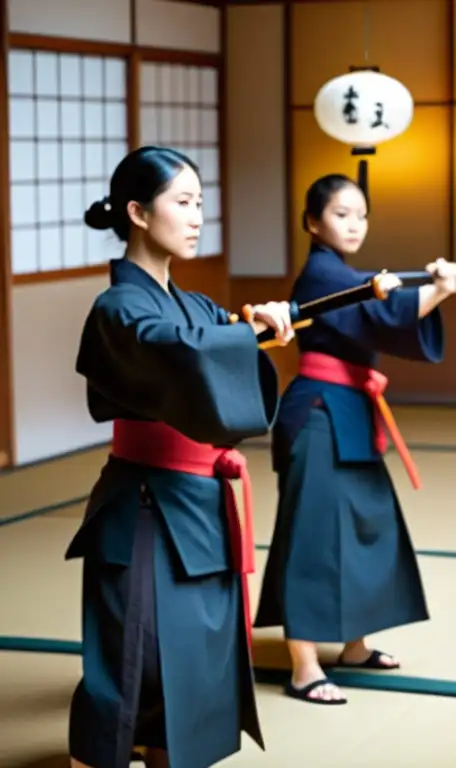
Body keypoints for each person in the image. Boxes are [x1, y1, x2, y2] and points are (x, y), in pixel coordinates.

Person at [65, 146, 298, 768]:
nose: (198, 217)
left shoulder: (194, 304)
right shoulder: (119, 307)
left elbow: (210, 350)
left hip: (201, 499)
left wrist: (258, 334)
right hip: (145, 505)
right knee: (135, 648)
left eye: (201, 203)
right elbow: (173, 349)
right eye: (184, 202)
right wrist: (242, 333)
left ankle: (171, 751)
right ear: (138, 213)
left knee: (197, 647)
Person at [253, 173, 456, 705]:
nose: (353, 223)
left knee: (366, 526)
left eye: (361, 214)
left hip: (349, 410)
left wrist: (424, 292)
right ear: (312, 222)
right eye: (341, 213)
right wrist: (435, 289)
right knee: (311, 538)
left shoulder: (345, 275)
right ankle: (304, 668)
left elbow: (381, 315)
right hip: (319, 413)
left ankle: (353, 645)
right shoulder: (322, 275)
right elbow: (382, 311)